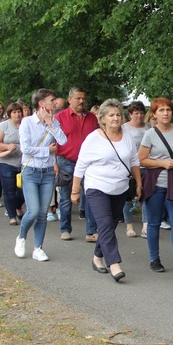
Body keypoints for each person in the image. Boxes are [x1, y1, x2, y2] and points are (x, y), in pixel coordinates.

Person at [72, 99, 142, 283]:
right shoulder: (93, 138)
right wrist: (74, 191)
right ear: (102, 118)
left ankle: (97, 257)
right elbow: (80, 166)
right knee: (104, 225)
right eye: (111, 115)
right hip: (97, 187)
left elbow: (134, 161)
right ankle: (114, 263)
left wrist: (139, 184)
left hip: (120, 188)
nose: (115, 118)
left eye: (118, 114)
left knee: (109, 225)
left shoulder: (127, 135)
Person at [138, 97, 173, 276]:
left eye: (168, 110)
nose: (165, 113)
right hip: (155, 184)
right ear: (154, 114)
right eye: (161, 110)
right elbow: (142, 160)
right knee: (153, 222)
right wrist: (162, 163)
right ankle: (154, 259)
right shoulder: (150, 134)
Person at [14, 89, 67, 262]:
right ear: (42, 104)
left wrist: (51, 124)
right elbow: (25, 148)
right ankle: (21, 237)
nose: (55, 103)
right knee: (33, 210)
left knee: (43, 213)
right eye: (52, 100)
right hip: (30, 172)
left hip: (48, 173)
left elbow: (63, 141)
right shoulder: (27, 122)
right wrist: (47, 150)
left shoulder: (54, 121)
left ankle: (38, 248)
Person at [54, 87, 99, 242]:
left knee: (91, 196)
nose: (81, 101)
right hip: (66, 161)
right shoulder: (59, 117)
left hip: (88, 164)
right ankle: (65, 229)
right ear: (70, 99)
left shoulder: (92, 118)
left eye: (83, 98)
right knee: (66, 197)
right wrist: (54, 162)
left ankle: (91, 231)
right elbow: (53, 141)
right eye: (78, 98)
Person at [0, 102, 25, 225]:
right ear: (9, 114)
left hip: (23, 163)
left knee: (23, 189)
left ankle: (17, 206)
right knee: (9, 190)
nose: (17, 114)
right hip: (6, 162)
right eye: (14, 112)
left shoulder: (25, 125)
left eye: (19, 112)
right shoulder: (4, 125)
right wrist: (7, 146)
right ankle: (12, 215)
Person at [122, 101, 147, 238]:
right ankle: (129, 226)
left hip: (145, 166)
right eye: (136, 113)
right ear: (130, 114)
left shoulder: (148, 128)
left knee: (145, 197)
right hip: (129, 168)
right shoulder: (124, 128)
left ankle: (145, 226)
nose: (139, 116)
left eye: (141, 113)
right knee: (128, 198)